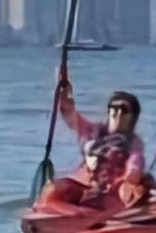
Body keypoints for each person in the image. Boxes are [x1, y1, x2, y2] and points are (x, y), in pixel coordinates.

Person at [47, 77, 150, 210]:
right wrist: (64, 90)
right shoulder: (91, 131)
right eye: (114, 107)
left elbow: (135, 164)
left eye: (124, 110)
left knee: (134, 192)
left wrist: (128, 179)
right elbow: (68, 112)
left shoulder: (133, 142)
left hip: (113, 191)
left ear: (133, 117)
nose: (118, 112)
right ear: (108, 111)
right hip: (84, 185)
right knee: (55, 189)